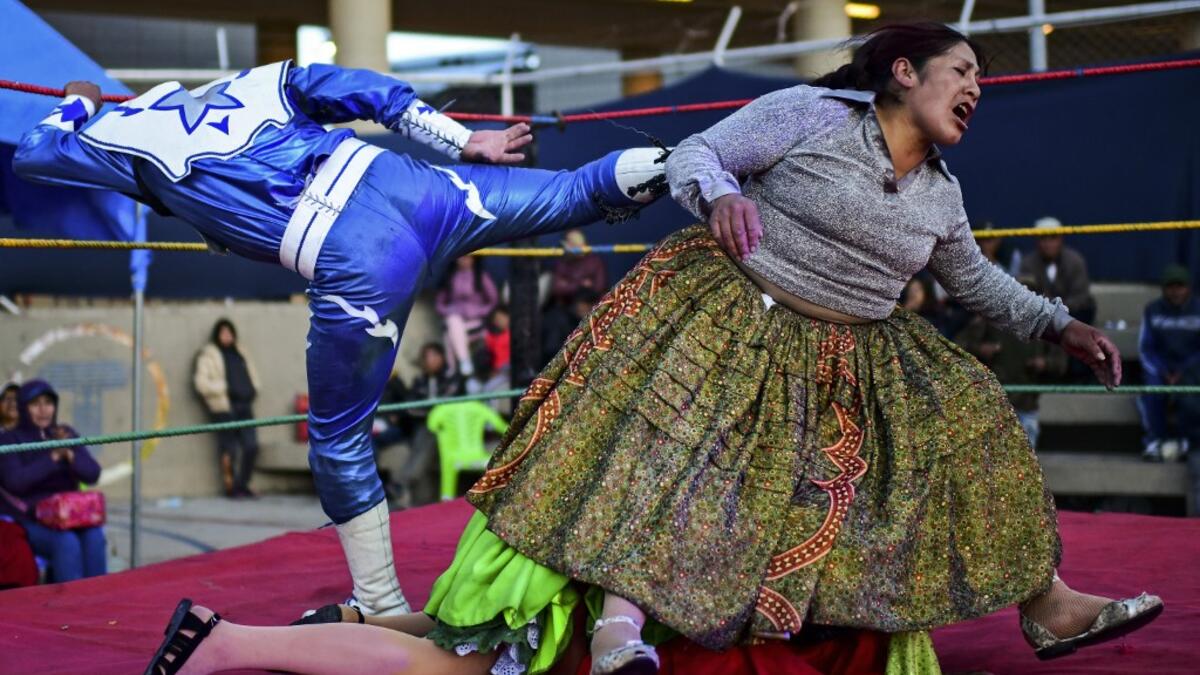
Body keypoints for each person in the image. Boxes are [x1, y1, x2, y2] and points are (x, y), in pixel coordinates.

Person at [140, 23, 1161, 675]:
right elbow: (707, 153)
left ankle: (1050, 602)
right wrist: (718, 197)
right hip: (741, 317)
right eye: (965, 68)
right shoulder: (812, 113)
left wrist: (1057, 322)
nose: (980, 86)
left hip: (853, 354)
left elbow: (974, 279)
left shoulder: (940, 191)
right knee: (637, 502)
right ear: (903, 71)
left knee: (967, 415)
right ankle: (263, 640)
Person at [14, 61, 676, 617]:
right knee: (570, 191)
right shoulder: (252, 80)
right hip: (406, 182)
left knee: (336, 439)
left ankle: (383, 606)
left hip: (353, 255)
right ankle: (692, 163)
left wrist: (79, 101)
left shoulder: (118, 138)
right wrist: (459, 139)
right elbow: (368, 89)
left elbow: (35, 151)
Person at [0, 380, 106, 583]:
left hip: (70, 516)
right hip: (30, 519)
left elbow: (92, 473)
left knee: (94, 536)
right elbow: (16, 481)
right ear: (24, 407)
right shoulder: (10, 440)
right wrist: (53, 457)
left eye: (48, 403)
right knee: (66, 542)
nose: (43, 410)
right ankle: (69, 608)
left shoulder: (64, 433)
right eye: (35, 404)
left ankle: (99, 602)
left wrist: (71, 454)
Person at [955, 276, 1069, 448]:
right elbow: (958, 346)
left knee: (1026, 465)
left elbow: (1060, 363)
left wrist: (1045, 363)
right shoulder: (991, 319)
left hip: (1026, 405)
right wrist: (981, 349)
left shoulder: (1045, 327)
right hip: (994, 403)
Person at [1137, 264, 1200, 465]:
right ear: (1164, 289)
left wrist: (1183, 372)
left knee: (1190, 392)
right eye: (1171, 286)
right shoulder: (1152, 310)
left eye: (1180, 286)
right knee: (1151, 387)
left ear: (1189, 288)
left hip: (1192, 368)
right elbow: (1145, 348)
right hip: (1161, 368)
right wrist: (1163, 371)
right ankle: (1154, 440)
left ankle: (1186, 440)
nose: (1175, 291)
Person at [192, 319, 261, 498]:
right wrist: (223, 388)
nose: (227, 336)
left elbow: (252, 374)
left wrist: (254, 388)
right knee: (229, 450)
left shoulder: (240, 352)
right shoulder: (208, 355)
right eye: (223, 332)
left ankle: (243, 484)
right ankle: (231, 488)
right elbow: (201, 383)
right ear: (217, 335)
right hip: (224, 408)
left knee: (251, 446)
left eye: (229, 332)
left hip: (245, 406)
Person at [1019, 216, 1097, 326]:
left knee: (1088, 306)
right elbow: (1028, 295)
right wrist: (1050, 309)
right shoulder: (1027, 264)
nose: (1048, 243)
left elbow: (1080, 296)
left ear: (1061, 239)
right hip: (1041, 317)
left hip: (1071, 314)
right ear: (1036, 240)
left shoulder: (1075, 260)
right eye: (1043, 238)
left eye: (1053, 237)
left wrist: (1060, 310)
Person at [435, 256, 499, 377]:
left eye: (468, 257)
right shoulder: (450, 277)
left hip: (475, 323)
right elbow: (439, 304)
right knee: (453, 322)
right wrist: (448, 310)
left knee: (449, 335)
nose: (464, 260)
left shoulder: (480, 276)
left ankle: (454, 367)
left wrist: (480, 311)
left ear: (474, 259)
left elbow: (493, 300)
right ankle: (464, 362)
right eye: (461, 257)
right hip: (455, 320)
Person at [550, 228, 608, 305]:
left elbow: (599, 287)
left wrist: (568, 284)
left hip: (591, 304)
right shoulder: (562, 263)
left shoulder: (594, 261)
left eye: (576, 243)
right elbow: (557, 288)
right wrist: (580, 284)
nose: (572, 246)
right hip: (568, 306)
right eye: (570, 243)